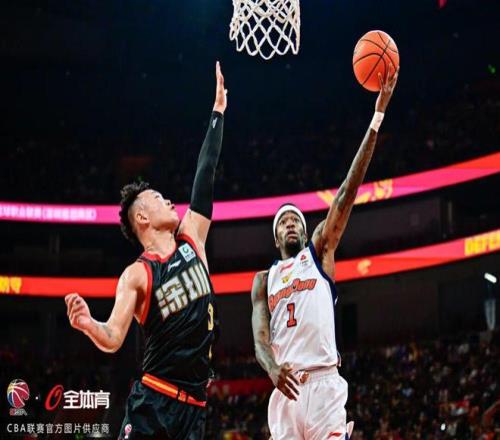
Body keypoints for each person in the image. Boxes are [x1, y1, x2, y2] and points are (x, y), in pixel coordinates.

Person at [65, 61, 227, 439]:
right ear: (142, 217)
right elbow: (113, 336)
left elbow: (205, 173)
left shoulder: (192, 238)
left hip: (195, 409)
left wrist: (217, 113)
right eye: (158, 198)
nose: (169, 201)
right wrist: (88, 324)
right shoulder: (137, 274)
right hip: (154, 403)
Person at [251, 69, 399, 440]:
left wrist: (377, 116)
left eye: (295, 221)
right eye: (283, 222)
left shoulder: (318, 252)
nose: (290, 224)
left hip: (323, 384)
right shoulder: (264, 280)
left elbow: (347, 191)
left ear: (305, 232)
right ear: (275, 236)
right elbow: (260, 339)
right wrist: (271, 369)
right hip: (285, 389)